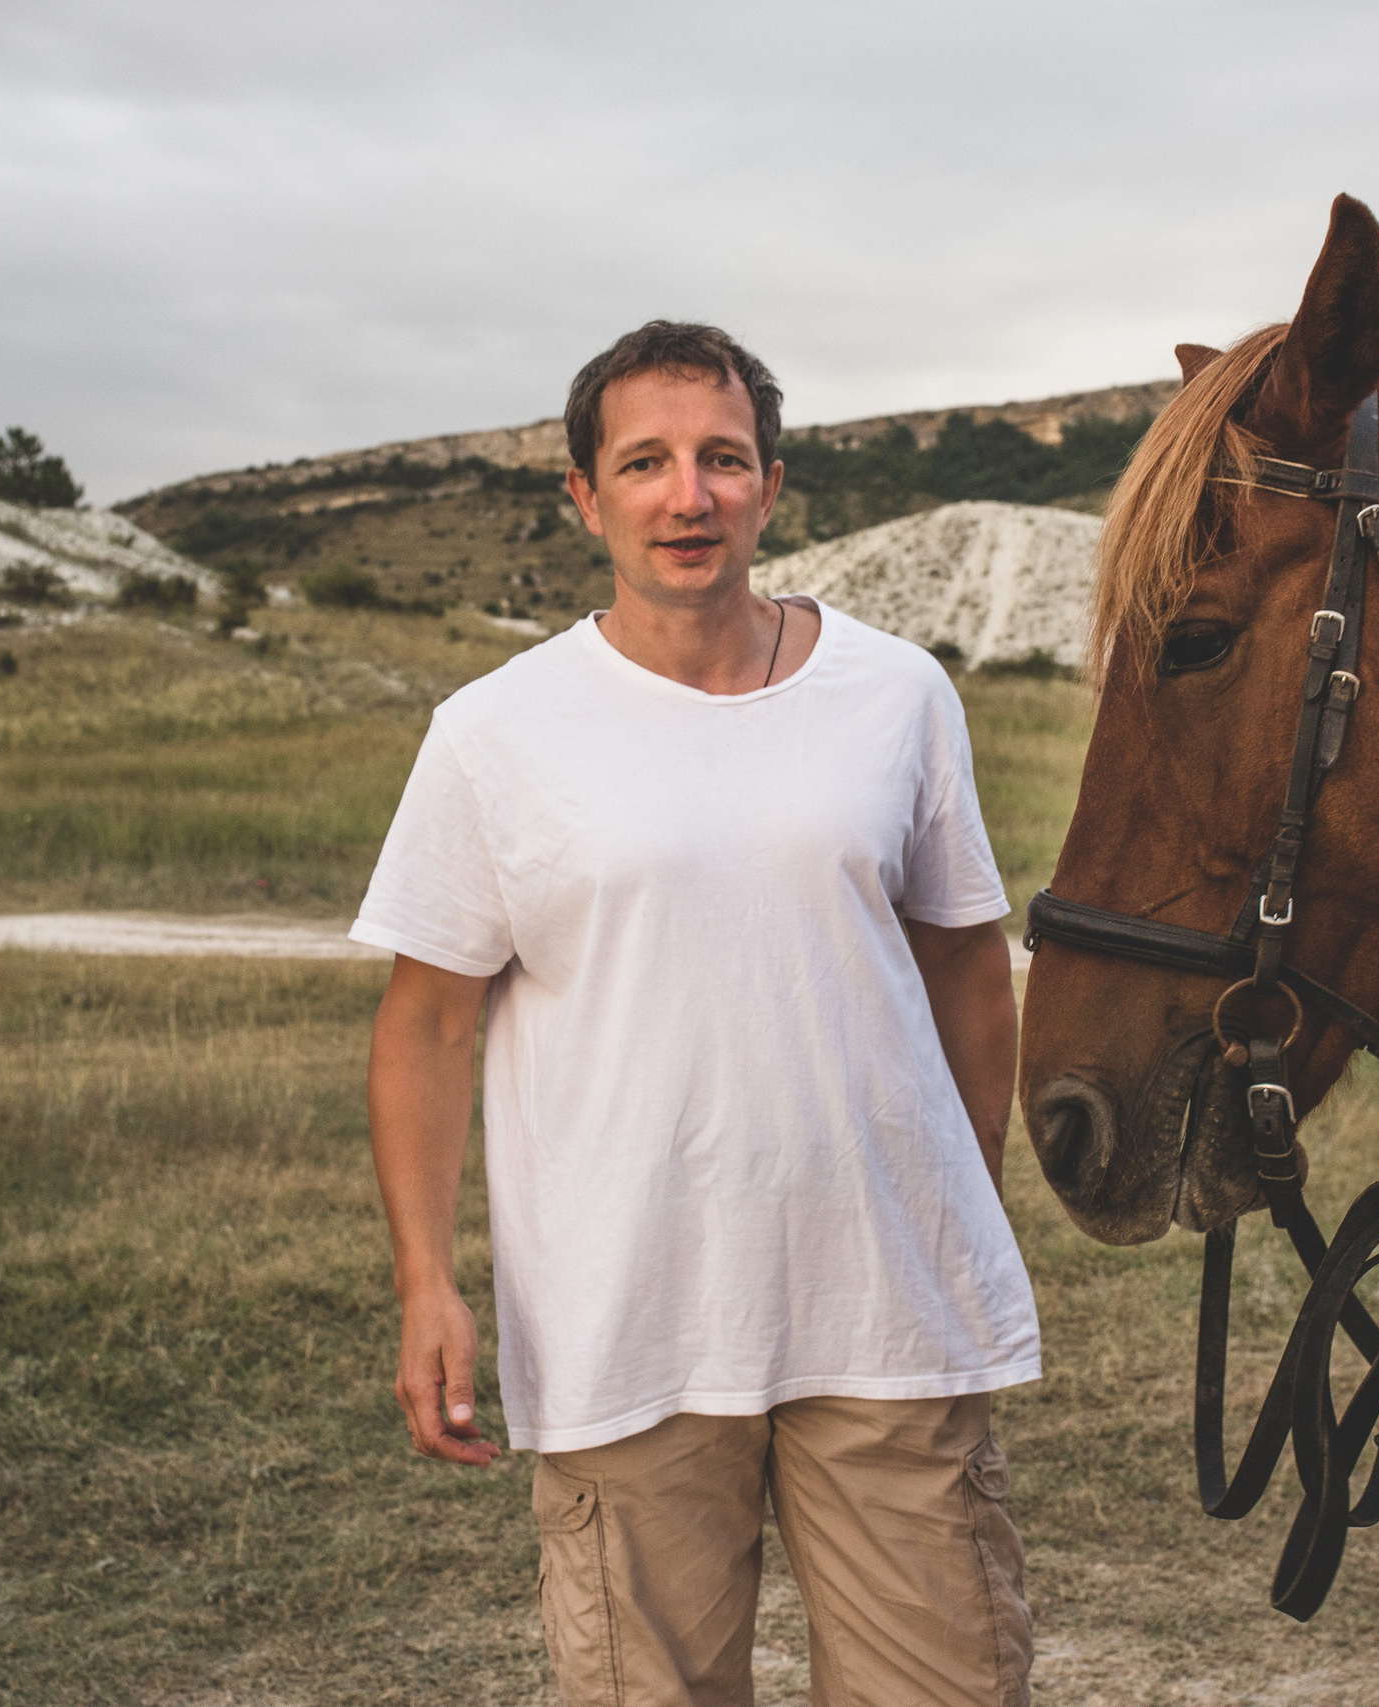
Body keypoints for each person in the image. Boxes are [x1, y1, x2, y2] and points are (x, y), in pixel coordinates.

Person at [358, 320, 1040, 1706]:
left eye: (724, 460)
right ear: (583, 494)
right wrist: (426, 1283)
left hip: (885, 1312)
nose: (691, 495)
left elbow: (968, 962)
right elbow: (427, 1021)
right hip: (628, 1321)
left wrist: (961, 1191)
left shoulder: (897, 693)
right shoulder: (495, 732)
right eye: (649, 462)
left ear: (772, 486)